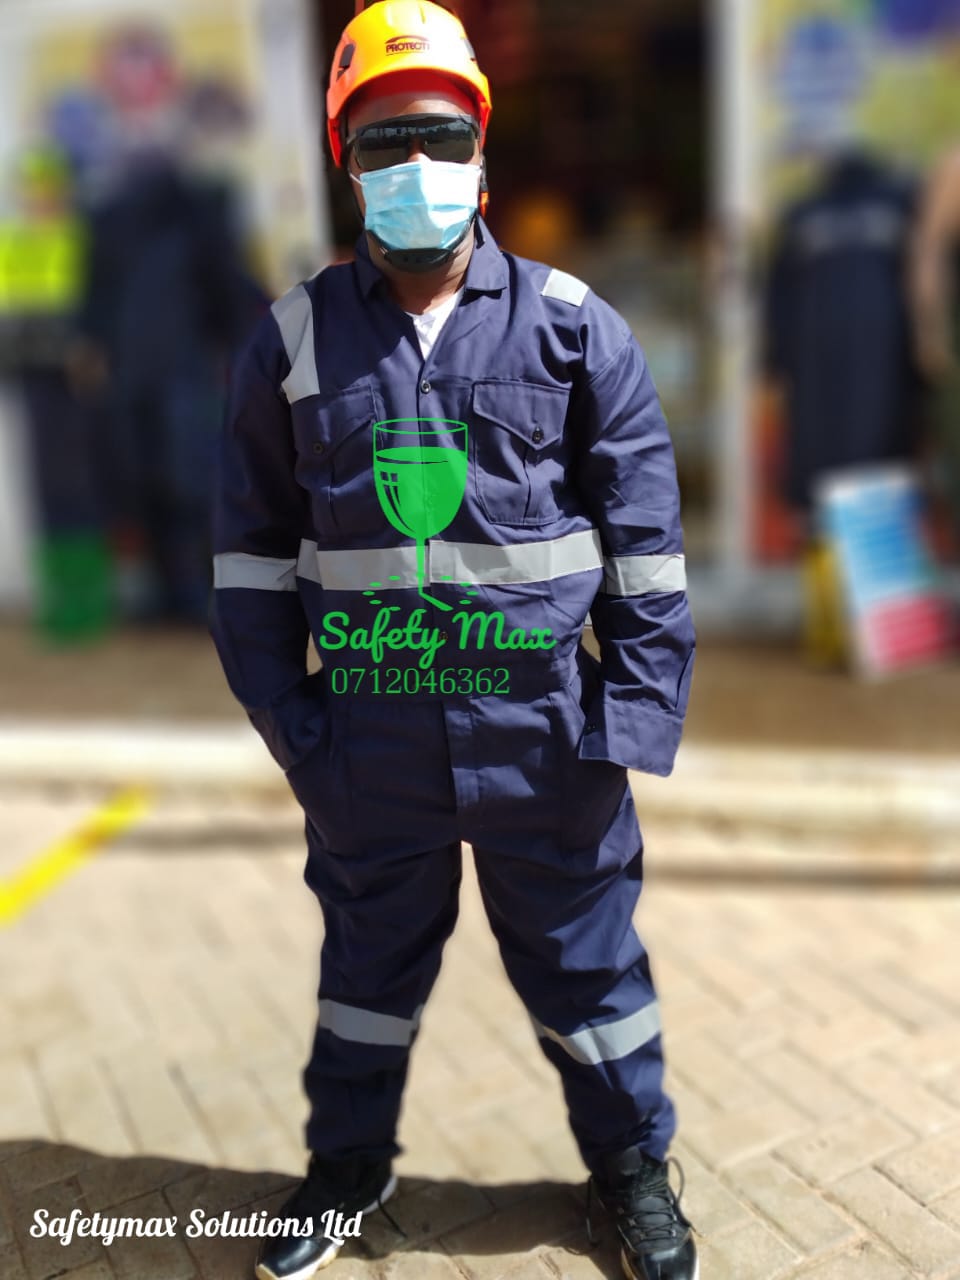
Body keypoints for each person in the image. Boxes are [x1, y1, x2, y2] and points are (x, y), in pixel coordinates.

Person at [209, 4, 697, 1279]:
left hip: (547, 740)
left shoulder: (574, 327)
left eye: (437, 134)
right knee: (366, 976)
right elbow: (249, 561)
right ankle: (347, 1166)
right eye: (383, 142)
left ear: (482, 149)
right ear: (345, 162)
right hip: (369, 743)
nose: (413, 163)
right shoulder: (294, 341)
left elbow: (646, 553)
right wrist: (300, 734)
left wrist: (625, 727)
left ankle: (632, 1169)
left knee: (591, 975)